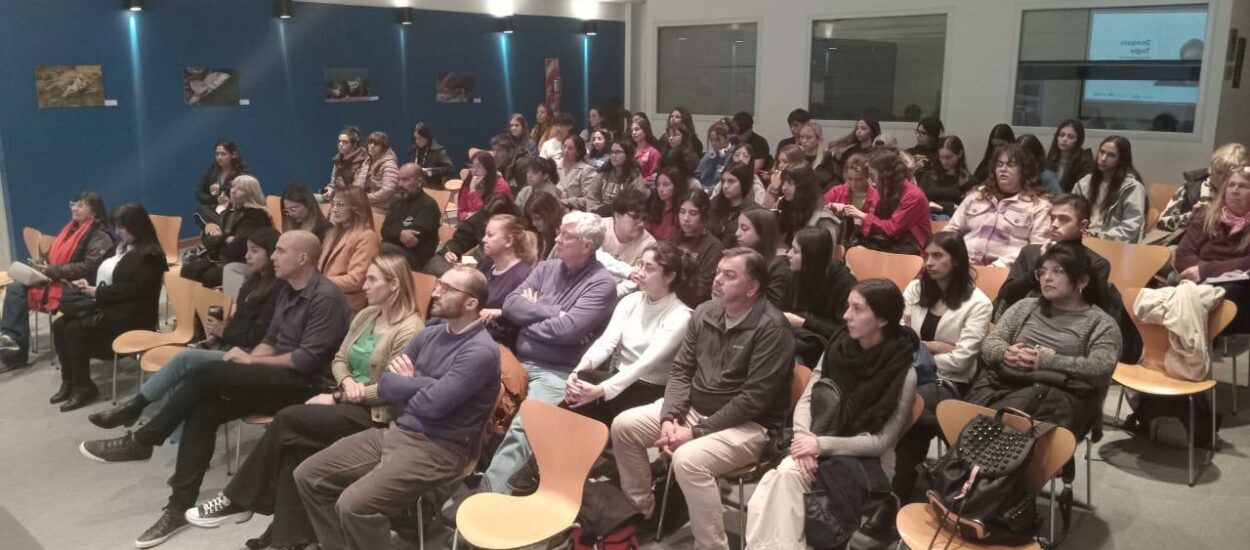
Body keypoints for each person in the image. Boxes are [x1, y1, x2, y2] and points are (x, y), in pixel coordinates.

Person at [78, 230, 353, 550]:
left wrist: (251, 362)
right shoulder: (287, 290)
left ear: (303, 258)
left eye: (279, 251)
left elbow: (306, 360)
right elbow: (271, 340)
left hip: (307, 386)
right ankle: (178, 507)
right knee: (204, 409)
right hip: (277, 377)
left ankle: (142, 440)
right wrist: (252, 359)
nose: (273, 256)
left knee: (206, 372)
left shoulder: (326, 298)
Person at [184, 253, 424, 550]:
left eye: (373, 279)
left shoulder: (411, 330)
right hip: (345, 399)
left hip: (375, 415)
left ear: (395, 285)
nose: (365, 285)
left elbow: (394, 386)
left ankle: (237, 498)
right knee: (295, 448)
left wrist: (348, 393)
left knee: (287, 419)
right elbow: (339, 359)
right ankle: (287, 540)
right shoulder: (366, 316)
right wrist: (346, 382)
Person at [293, 266, 499, 550]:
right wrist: (423, 384)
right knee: (308, 475)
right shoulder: (430, 333)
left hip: (440, 449)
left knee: (354, 505)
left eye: (447, 289)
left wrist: (411, 383)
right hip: (398, 431)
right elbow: (387, 385)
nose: (435, 292)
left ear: (471, 303)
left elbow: (434, 406)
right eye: (439, 285)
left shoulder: (480, 351)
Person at [612, 248, 794, 550]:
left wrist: (695, 432)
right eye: (719, 272)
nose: (718, 280)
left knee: (688, 460)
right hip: (695, 412)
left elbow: (753, 399)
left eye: (730, 275)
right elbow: (682, 369)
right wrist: (670, 416)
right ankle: (644, 510)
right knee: (624, 426)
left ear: (752, 288)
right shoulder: (705, 311)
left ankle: (711, 546)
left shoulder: (772, 330)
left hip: (750, 426)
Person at [745, 279, 918, 550]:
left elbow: (881, 442)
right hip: (817, 440)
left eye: (857, 309)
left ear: (882, 319)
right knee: (781, 481)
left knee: (780, 480)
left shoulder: (904, 373)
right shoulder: (838, 345)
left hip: (863, 460)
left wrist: (819, 444)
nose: (846, 315)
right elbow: (808, 397)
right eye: (848, 306)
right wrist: (805, 438)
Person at [88, 228, 282, 430]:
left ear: (271, 254)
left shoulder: (277, 290)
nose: (247, 256)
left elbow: (256, 337)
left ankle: (136, 409)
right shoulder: (254, 281)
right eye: (248, 250)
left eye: (254, 251)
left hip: (249, 356)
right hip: (231, 345)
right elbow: (240, 321)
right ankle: (172, 434)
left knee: (186, 359)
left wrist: (223, 332)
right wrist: (218, 336)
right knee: (189, 363)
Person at [482, 211, 617, 492]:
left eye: (565, 235)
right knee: (469, 396)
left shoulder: (601, 285)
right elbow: (510, 306)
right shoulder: (546, 267)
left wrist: (528, 321)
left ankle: (490, 497)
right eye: (559, 231)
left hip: (558, 372)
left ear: (586, 246)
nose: (557, 238)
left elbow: (568, 331)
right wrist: (554, 312)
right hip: (517, 360)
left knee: (525, 427)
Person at [966, 242, 1120, 438]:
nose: (1047, 278)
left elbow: (1100, 366)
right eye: (1043, 271)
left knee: (1008, 421)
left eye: (1058, 271)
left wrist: (1043, 361)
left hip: (1062, 397)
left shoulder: (1101, 323)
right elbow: (991, 342)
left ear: (1082, 281)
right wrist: (1006, 352)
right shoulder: (1026, 306)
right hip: (1009, 383)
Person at [890, 232, 993, 503]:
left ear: (957, 260)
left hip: (947, 381)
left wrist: (918, 350)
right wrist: (933, 346)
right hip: (906, 369)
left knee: (912, 406)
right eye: (927, 255)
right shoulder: (916, 289)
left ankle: (896, 489)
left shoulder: (979, 303)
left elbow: (960, 362)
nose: (929, 263)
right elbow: (896, 334)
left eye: (937, 256)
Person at [51, 203, 167, 411]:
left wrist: (98, 292)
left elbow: (136, 291)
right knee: (59, 325)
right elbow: (111, 279)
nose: (118, 231)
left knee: (74, 328)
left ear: (136, 226)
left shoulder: (151, 255)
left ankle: (83, 386)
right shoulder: (123, 247)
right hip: (113, 304)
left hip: (134, 316)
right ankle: (69, 381)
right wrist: (91, 287)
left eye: (122, 227)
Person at [565, 242, 692, 424]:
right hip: (618, 378)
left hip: (648, 389)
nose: (639, 273)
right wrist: (577, 371)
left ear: (670, 276)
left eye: (649, 268)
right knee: (581, 380)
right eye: (640, 264)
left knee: (580, 404)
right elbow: (606, 342)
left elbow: (644, 364)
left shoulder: (681, 315)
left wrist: (601, 390)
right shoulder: (631, 300)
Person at [0, 192, 112, 371]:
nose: (75, 208)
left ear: (94, 212)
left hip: (79, 285)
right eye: (74, 203)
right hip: (56, 278)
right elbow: (54, 255)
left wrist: (54, 270)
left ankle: (13, 346)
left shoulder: (100, 236)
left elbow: (89, 268)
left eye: (82, 205)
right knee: (15, 288)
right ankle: (12, 346)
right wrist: (43, 263)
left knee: (20, 290)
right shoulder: (69, 230)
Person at [997, 194, 1113, 315]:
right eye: (1052, 218)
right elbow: (1006, 295)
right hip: (1025, 319)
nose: (1054, 224)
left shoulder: (1096, 263)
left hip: (1070, 326)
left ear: (1083, 225)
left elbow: (1092, 309)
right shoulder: (1030, 252)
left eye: (1063, 219)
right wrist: (1039, 266)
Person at [947, 143, 1051, 266]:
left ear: (1024, 170)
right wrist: (958, 257)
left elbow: (1037, 249)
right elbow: (951, 231)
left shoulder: (1039, 205)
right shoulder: (976, 196)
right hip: (963, 265)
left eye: (1010, 165)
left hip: (1008, 271)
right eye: (999, 164)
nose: (1003, 169)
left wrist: (999, 266)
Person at [1176, 165, 1250, 333]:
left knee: (1226, 291)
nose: (1235, 191)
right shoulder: (1207, 216)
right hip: (1200, 284)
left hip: (1238, 290)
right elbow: (1183, 254)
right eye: (1231, 185)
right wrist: (1206, 275)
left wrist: (1206, 270)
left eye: (1243, 186)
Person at [835, 147, 932, 255]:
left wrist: (863, 216)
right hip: (889, 243)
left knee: (858, 254)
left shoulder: (913, 196)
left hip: (911, 247)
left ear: (885, 176)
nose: (872, 181)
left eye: (873, 175)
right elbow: (874, 220)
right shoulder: (885, 190)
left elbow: (892, 228)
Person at [182, 175, 273, 288]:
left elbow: (238, 247)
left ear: (250, 194)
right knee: (188, 269)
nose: (233, 191)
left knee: (208, 277)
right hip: (221, 258)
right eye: (233, 187)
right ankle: (192, 305)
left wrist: (220, 238)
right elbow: (208, 241)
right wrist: (226, 238)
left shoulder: (256, 215)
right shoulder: (229, 212)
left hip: (242, 262)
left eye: (240, 189)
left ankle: (215, 305)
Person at [782, 227, 857, 362]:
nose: (789, 254)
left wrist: (804, 322)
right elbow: (783, 310)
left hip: (827, 345)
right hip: (794, 336)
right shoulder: (793, 274)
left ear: (812, 256)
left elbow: (847, 332)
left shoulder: (844, 282)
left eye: (796, 251)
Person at [1157, 143, 1249, 239]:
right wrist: (1190, 217)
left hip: (1232, 246)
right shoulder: (1191, 188)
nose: (1221, 178)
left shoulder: (1243, 193)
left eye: (1228, 175)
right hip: (1191, 243)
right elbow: (1161, 223)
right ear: (1210, 169)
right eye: (1218, 172)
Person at [476, 214, 536, 348]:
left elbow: (522, 315)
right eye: (485, 234)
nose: (484, 240)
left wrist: (500, 313)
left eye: (490, 235)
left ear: (508, 241)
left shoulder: (523, 275)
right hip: (476, 332)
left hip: (498, 343)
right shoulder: (485, 265)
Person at [1073, 136, 1146, 243]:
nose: (1103, 158)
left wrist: (1097, 236)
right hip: (1081, 239)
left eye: (1111, 155)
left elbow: (1130, 228)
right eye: (1102, 152)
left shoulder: (1132, 188)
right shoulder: (1085, 183)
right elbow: (1071, 212)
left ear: (1121, 160)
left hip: (1110, 244)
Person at [321, 188, 383, 312]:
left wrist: (319, 282)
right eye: (334, 204)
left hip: (345, 303)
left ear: (356, 209)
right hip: (324, 295)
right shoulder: (331, 234)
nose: (334, 209)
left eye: (341, 205)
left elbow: (356, 280)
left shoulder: (367, 237)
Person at [429, 194, 523, 275]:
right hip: (476, 260)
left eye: (490, 235)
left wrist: (477, 267)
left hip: (497, 267)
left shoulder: (519, 229)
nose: (484, 239)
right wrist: (450, 251)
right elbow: (460, 240)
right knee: (435, 264)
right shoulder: (482, 216)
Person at [381, 163, 442, 271]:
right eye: (398, 180)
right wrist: (400, 233)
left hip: (416, 260)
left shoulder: (429, 206)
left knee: (380, 248)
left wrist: (394, 232)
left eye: (405, 180)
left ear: (419, 182)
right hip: (391, 252)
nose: (400, 184)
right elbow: (384, 230)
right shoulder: (396, 201)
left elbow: (412, 239)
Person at [672, 189, 724, 308]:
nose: (686, 218)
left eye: (693, 213)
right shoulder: (674, 240)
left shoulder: (714, 247)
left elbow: (704, 289)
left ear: (704, 216)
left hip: (692, 306)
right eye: (682, 211)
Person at [599, 187, 658, 289]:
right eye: (635, 217)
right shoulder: (599, 226)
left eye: (643, 218)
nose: (641, 224)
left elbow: (637, 279)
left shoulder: (649, 243)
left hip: (619, 296)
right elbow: (595, 257)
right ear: (617, 215)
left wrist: (611, 295)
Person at [736, 209, 790, 308]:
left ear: (762, 233)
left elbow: (773, 306)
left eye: (744, 229)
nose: (737, 233)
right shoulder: (741, 257)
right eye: (738, 228)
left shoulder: (778, 265)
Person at [777, 163, 840, 246]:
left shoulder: (825, 221)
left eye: (790, 183)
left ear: (805, 186)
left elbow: (825, 256)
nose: (784, 188)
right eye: (783, 182)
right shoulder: (786, 207)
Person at [195, 139, 248, 226]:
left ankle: (224, 227)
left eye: (223, 154)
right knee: (201, 209)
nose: (219, 157)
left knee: (213, 236)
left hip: (233, 210)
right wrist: (215, 200)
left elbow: (244, 193)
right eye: (217, 154)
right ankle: (224, 227)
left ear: (233, 155)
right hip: (214, 211)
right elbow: (199, 194)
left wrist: (222, 188)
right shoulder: (211, 171)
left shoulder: (240, 173)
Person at [708, 162, 760, 247]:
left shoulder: (753, 211)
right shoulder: (713, 204)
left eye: (731, 181)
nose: (725, 186)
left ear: (743, 182)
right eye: (723, 181)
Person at [919, 136, 971, 220]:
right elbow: (918, 202)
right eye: (941, 157)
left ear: (960, 154)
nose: (944, 162)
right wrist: (951, 206)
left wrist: (943, 208)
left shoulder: (968, 181)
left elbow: (968, 212)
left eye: (948, 157)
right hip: (927, 218)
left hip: (953, 221)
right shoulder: (928, 176)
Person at [595, 140, 647, 217]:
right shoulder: (603, 173)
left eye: (618, 152)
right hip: (599, 214)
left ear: (627, 155)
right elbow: (592, 197)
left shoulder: (635, 179)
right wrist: (596, 211)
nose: (613, 155)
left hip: (622, 218)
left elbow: (633, 206)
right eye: (611, 152)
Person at [458, 150, 514, 221]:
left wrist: (473, 191)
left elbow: (486, 214)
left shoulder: (501, 186)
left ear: (488, 169)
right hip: (472, 223)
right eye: (472, 166)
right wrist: (465, 216)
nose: (474, 170)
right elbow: (461, 210)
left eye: (479, 167)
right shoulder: (469, 181)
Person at [352, 132, 401, 213]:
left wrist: (366, 198)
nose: (371, 146)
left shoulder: (389, 164)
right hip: (368, 203)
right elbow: (358, 185)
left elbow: (388, 191)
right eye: (370, 143)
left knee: (348, 213)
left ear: (383, 147)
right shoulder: (367, 161)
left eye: (376, 144)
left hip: (382, 207)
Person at [823, 152, 879, 221]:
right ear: (845, 175)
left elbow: (882, 222)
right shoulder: (836, 191)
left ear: (867, 177)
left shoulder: (876, 197)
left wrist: (864, 219)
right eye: (850, 179)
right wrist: (831, 206)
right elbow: (818, 210)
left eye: (858, 180)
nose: (853, 184)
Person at [1045, 119, 1095, 194]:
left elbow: (1081, 191)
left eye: (1070, 137)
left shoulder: (1085, 162)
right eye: (1061, 135)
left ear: (1078, 140)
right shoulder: (1052, 157)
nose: (1064, 139)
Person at [647, 167, 691, 242]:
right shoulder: (655, 208)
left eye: (666, 185)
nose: (661, 189)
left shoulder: (683, 212)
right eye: (658, 185)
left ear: (676, 186)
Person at [408, 122, 455, 189]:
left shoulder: (438, 151)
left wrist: (429, 172)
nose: (417, 141)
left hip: (432, 186)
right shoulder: (413, 150)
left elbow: (449, 168)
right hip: (415, 186)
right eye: (415, 138)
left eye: (420, 138)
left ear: (427, 137)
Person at [794, 121, 837, 191]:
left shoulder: (828, 157)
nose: (804, 141)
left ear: (818, 139)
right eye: (801, 137)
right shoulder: (797, 156)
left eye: (809, 138)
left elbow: (836, 181)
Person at [695, 120, 735, 194]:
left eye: (717, 139)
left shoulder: (733, 155)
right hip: (702, 192)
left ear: (727, 138)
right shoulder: (709, 156)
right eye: (711, 140)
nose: (713, 143)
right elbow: (697, 175)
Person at [524, 192, 565, 261]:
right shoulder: (536, 236)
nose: (534, 223)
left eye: (538, 218)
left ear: (549, 214)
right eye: (532, 219)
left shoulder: (561, 238)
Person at [557, 135, 598, 200]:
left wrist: (568, 202)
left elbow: (589, 198)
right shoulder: (556, 167)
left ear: (578, 152)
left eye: (570, 148)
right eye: (564, 147)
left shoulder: (587, 170)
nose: (566, 150)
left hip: (575, 208)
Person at [630, 117, 662, 182]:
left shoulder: (653, 153)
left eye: (637, 129)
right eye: (632, 130)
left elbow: (654, 177)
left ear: (645, 131)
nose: (633, 133)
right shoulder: (630, 150)